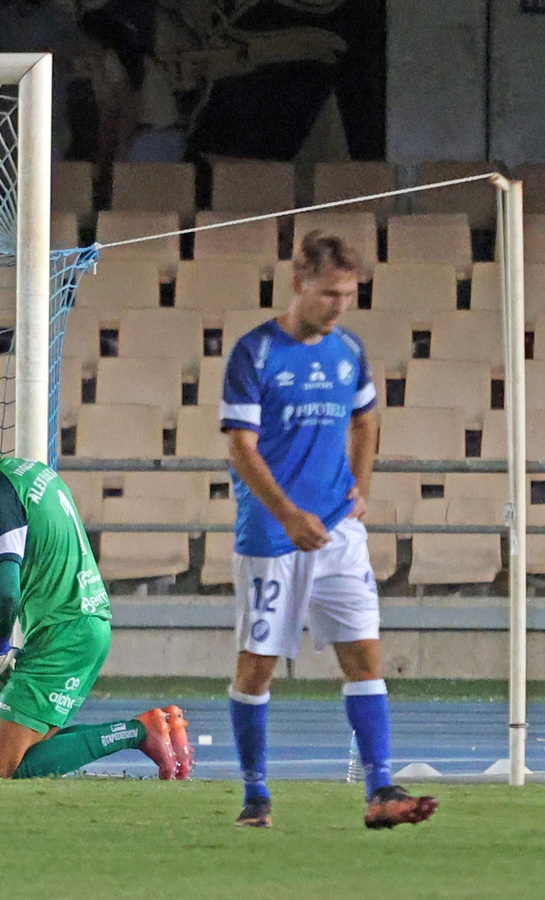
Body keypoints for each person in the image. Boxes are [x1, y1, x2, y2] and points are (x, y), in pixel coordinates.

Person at [220, 231, 437, 829]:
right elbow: (241, 448)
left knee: (365, 655)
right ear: (298, 283)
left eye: (348, 294)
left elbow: (366, 421)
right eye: (329, 294)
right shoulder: (255, 353)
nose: (340, 305)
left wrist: (359, 489)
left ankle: (380, 789)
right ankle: (255, 794)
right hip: (272, 536)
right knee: (258, 667)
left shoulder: (349, 350)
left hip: (339, 534)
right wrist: (289, 515)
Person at [0, 426, 190, 782]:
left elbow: (6, 591)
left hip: (63, 632)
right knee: (32, 750)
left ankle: (139, 731)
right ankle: (146, 728)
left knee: (0, 769)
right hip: (88, 621)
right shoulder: (34, 472)